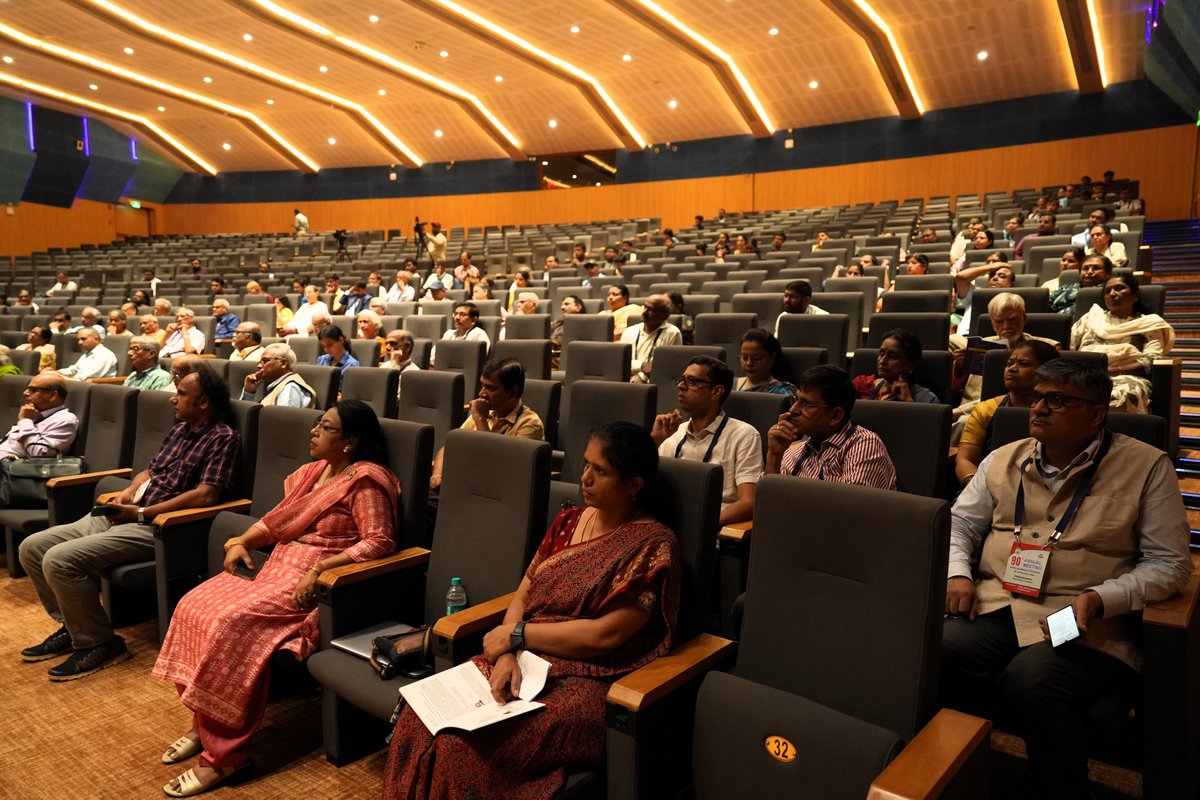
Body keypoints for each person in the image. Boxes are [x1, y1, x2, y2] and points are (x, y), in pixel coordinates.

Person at [384, 421, 680, 800]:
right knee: (419, 718)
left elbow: (606, 635)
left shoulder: (651, 547)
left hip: (592, 679)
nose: (584, 478)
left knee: (461, 748)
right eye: (586, 464)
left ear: (634, 485)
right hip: (522, 658)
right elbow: (523, 594)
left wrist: (517, 635)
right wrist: (506, 653)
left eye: (600, 471)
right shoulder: (568, 521)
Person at [941, 358, 1191, 800]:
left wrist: (1101, 597)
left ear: (1096, 413)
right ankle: (947, 775)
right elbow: (960, 525)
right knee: (932, 647)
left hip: (1085, 623)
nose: (1039, 408)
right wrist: (958, 574)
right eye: (1038, 397)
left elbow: (1170, 564)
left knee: (1033, 678)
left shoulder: (1148, 467)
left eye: (1057, 400)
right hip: (999, 603)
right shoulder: (1003, 458)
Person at [155, 400, 399, 797]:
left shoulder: (365, 481)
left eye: (325, 427)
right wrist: (240, 540)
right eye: (317, 424)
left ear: (351, 441)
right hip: (277, 566)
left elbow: (379, 541)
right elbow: (276, 520)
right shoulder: (315, 473)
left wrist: (320, 571)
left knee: (228, 623)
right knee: (192, 605)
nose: (314, 432)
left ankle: (226, 756)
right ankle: (204, 723)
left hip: (316, 582)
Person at [18, 367, 241, 681]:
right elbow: (148, 472)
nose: (172, 400)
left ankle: (100, 642)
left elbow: (206, 496)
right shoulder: (179, 431)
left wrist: (141, 514)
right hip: (130, 512)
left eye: (181, 395)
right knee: (32, 547)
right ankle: (73, 626)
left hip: (159, 527)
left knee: (59, 559)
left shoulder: (223, 439)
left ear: (203, 402)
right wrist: (125, 494)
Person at [651, 355, 761, 526]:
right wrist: (655, 441)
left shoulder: (744, 435)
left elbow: (749, 502)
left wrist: (701, 526)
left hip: (713, 530)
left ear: (716, 391)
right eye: (682, 379)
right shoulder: (671, 432)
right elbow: (640, 485)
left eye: (692, 381)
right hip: (667, 525)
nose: (681, 385)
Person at [764, 365, 895, 488]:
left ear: (835, 415)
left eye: (806, 403)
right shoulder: (794, 451)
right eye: (796, 400)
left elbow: (853, 509)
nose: (793, 410)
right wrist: (774, 456)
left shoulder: (864, 445)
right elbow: (768, 503)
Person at [955, 340, 1060, 490]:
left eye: (1023, 363)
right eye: (1009, 363)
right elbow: (965, 460)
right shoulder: (986, 409)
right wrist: (980, 489)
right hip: (986, 488)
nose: (1012, 369)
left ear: (1046, 371)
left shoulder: (1059, 413)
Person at [430, 357, 543, 493]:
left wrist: (480, 419)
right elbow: (448, 448)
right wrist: (437, 475)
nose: (481, 393)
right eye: (482, 385)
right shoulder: (484, 413)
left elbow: (498, 466)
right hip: (464, 485)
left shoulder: (530, 424)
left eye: (490, 388)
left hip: (495, 496)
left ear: (513, 392)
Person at [1070, 274, 1174, 413]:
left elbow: (1152, 360)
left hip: (1127, 376)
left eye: (1119, 288)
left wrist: (1116, 371)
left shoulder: (1149, 324)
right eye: (1107, 291)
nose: (1112, 294)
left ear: (1135, 295)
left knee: (1117, 396)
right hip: (1085, 374)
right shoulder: (1091, 318)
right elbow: (1069, 347)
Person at [0, 373, 77, 458]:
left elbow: (38, 454)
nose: (25, 393)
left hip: (15, 469)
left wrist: (25, 420)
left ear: (52, 395)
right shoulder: (34, 413)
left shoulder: (65, 420)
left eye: (33, 390)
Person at [853, 329, 939, 403]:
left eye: (893, 356)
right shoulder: (862, 384)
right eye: (881, 354)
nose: (883, 361)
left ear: (912, 366)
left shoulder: (927, 399)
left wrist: (908, 401)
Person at [622, 294, 682, 383]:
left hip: (656, 384)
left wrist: (642, 377)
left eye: (651, 310)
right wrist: (641, 365)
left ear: (664, 316)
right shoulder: (630, 331)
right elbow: (621, 362)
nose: (644, 312)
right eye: (645, 307)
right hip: (625, 381)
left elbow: (667, 367)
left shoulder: (673, 333)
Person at [240, 344, 317, 408]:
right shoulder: (277, 385)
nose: (259, 365)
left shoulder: (289, 389)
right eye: (259, 361)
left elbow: (283, 423)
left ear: (283, 363)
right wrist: (249, 392)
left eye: (265, 361)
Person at [953, 262, 1016, 336]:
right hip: (964, 339)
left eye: (1002, 276)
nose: (995, 278)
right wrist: (990, 267)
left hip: (998, 339)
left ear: (1011, 284)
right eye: (991, 275)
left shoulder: (1015, 300)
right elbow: (960, 278)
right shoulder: (976, 293)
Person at [734, 328, 797, 397]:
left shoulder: (783, 392)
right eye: (745, 358)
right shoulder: (731, 385)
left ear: (772, 358)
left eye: (756, 358)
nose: (749, 363)